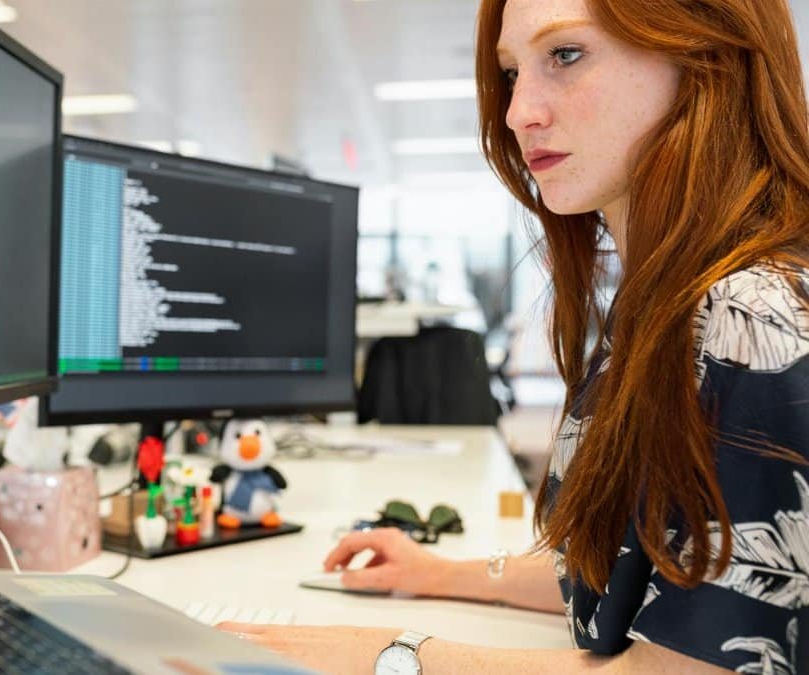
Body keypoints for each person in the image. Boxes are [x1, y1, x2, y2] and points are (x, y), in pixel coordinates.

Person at [220, 0, 809, 672]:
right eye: (510, 73)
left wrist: (390, 656)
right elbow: (634, 572)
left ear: (706, 57)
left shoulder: (753, 313)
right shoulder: (663, 302)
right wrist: (439, 573)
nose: (516, 112)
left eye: (566, 55)